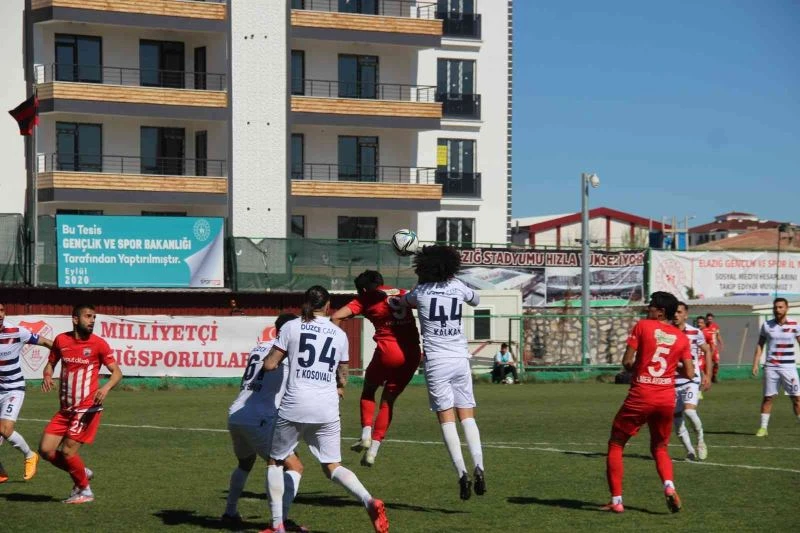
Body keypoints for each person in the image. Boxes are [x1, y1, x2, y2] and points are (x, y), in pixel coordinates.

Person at [261, 286, 388, 533]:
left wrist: (271, 360)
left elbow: (270, 364)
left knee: (275, 461)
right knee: (333, 466)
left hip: (296, 403)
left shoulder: (291, 326)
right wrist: (339, 387)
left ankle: (277, 525)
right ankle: (369, 500)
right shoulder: (339, 333)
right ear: (328, 306)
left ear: (305, 303)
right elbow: (343, 375)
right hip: (327, 405)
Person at [397, 245, 487, 501]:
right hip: (460, 358)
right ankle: (479, 466)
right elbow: (476, 299)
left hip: (436, 362)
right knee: (467, 416)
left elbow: (403, 300)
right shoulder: (458, 286)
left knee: (446, 420)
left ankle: (461, 473)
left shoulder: (420, 292)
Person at [603, 291, 694, 514]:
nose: (648, 308)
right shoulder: (681, 337)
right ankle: (669, 487)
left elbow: (627, 362)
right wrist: (669, 368)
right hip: (665, 398)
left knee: (616, 444)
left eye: (651, 306)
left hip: (642, 394)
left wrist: (641, 368)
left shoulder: (643, 326)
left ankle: (616, 500)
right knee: (660, 447)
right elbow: (690, 373)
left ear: (661, 311)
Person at [223, 313, 307, 533]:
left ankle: (230, 512)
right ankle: (281, 519)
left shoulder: (259, 347)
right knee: (294, 466)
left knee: (245, 463)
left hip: (237, 412)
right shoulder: (288, 353)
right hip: (261, 417)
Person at [331, 270, 422, 467]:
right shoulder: (401, 292)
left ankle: (365, 434)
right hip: (412, 354)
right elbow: (420, 300)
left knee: (368, 392)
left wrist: (337, 342)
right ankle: (373, 451)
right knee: (388, 402)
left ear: (363, 288)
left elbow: (336, 317)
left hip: (388, 350)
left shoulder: (365, 298)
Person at [39, 304, 123, 504]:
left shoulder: (99, 344)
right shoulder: (61, 340)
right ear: (75, 319)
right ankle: (81, 472)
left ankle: (85, 491)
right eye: (88, 316)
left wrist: (105, 388)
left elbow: (117, 373)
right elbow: (51, 362)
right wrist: (48, 374)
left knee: (68, 451)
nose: (92, 320)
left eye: (94, 317)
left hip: (87, 407)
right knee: (45, 450)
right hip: (65, 409)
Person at [0, 303, 53, 483]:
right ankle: (1, 473)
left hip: (13, 388)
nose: (0, 315)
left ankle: (30, 455)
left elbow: (47, 342)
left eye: (1, 310)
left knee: (4, 429)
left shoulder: (17, 331)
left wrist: (62, 358)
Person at [751, 298, 800, 437]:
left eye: (780, 307)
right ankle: (763, 428)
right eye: (775, 307)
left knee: (796, 398)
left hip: (789, 368)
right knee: (768, 398)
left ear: (786, 308)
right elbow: (760, 344)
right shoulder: (766, 325)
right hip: (771, 367)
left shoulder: (795, 325)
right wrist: (755, 363)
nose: (777, 310)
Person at [673, 302, 713, 461]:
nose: (676, 315)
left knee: (689, 411)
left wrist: (708, 375)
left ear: (685, 314)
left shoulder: (695, 332)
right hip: (672, 382)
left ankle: (701, 441)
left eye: (679, 312)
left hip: (691, 379)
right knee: (676, 419)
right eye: (674, 312)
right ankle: (689, 451)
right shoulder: (667, 332)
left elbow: (707, 350)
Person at [705, 313, 724, 382]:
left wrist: (721, 343)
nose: (709, 320)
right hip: (706, 348)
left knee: (716, 363)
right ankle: (706, 377)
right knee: (705, 363)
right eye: (708, 319)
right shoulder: (704, 327)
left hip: (714, 348)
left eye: (710, 319)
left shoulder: (715, 326)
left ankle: (714, 376)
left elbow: (718, 335)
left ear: (712, 319)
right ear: (706, 319)